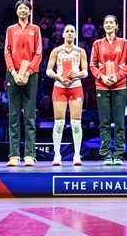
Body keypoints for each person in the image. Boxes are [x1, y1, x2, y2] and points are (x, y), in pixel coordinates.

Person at [90, 15, 127, 165]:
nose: (108, 25)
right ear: (103, 26)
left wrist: (117, 76)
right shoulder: (97, 44)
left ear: (116, 26)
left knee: (120, 122)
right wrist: (102, 77)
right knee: (104, 122)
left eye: (111, 23)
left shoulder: (124, 43)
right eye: (106, 23)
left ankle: (119, 154)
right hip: (102, 86)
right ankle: (106, 154)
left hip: (119, 86)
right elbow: (92, 65)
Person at [4, 0, 43, 166]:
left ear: (30, 11)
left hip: (30, 75)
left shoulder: (35, 29)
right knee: (13, 115)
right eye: (20, 8)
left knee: (29, 115)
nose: (22, 10)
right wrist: (13, 72)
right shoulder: (10, 30)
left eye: (25, 8)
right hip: (13, 74)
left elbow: (38, 53)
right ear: (16, 11)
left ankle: (29, 155)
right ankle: (14, 155)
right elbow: (7, 52)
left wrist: (28, 72)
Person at [45, 25, 89, 166]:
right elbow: (48, 70)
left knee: (76, 123)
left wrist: (78, 74)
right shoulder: (56, 51)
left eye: (72, 32)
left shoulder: (80, 51)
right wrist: (57, 76)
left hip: (76, 87)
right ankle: (57, 155)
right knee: (59, 123)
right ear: (63, 34)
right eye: (67, 31)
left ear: (75, 35)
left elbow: (86, 72)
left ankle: (77, 155)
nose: (69, 34)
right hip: (60, 87)